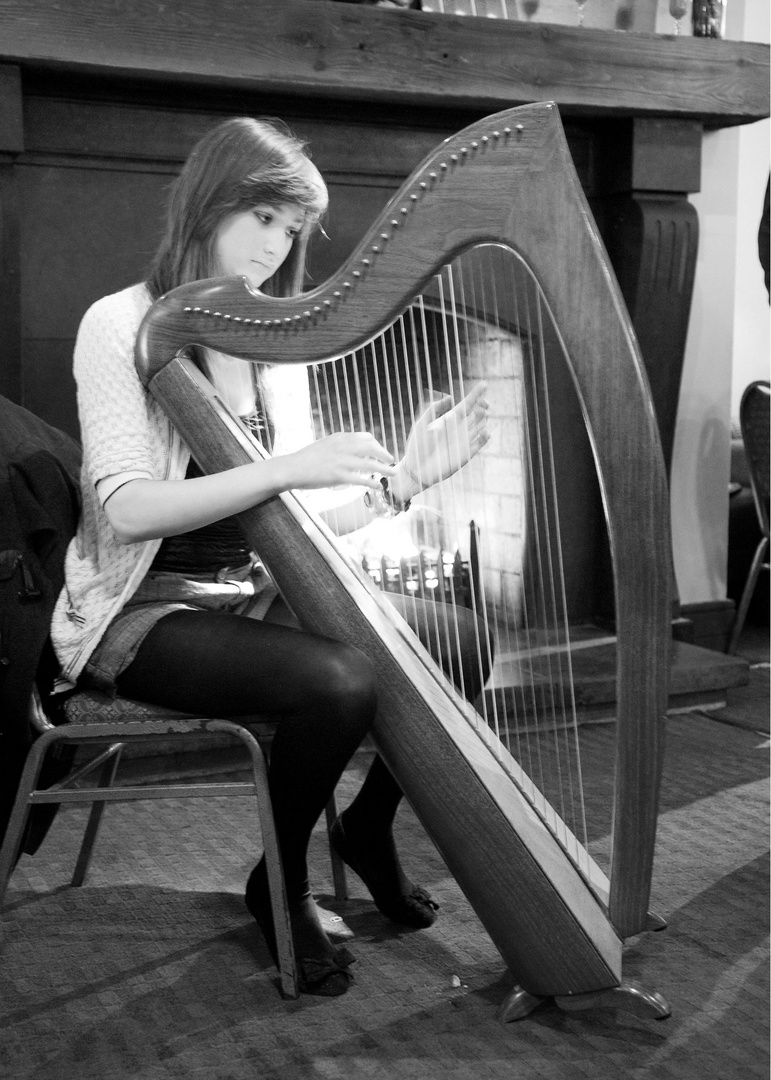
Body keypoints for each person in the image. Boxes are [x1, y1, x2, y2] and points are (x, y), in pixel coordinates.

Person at [51, 117, 490, 998]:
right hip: (141, 611)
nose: (275, 245)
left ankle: (363, 833)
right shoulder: (120, 323)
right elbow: (128, 510)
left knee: (461, 640)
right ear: (211, 204)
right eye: (263, 217)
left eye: (291, 229)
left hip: (249, 594)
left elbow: (297, 524)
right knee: (337, 682)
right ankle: (278, 882)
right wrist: (289, 466)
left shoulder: (269, 341)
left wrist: (403, 482)